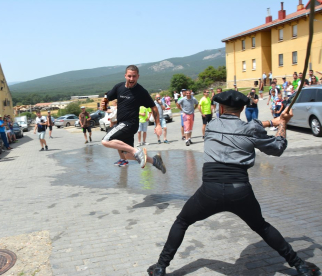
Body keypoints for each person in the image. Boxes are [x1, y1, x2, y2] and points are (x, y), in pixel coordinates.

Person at [147, 90, 320, 276]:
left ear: (220, 107)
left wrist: (273, 121)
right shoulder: (250, 130)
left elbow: (244, 127)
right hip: (240, 191)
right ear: (243, 108)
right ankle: (300, 265)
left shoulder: (212, 125)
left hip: (209, 191)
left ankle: (160, 267)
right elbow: (277, 147)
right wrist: (282, 123)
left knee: (182, 221)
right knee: (261, 226)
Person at [101, 65, 166, 174]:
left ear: (138, 76)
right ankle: (155, 161)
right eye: (129, 76)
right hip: (122, 124)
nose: (131, 79)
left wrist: (158, 124)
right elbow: (108, 95)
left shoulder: (141, 91)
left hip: (130, 124)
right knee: (128, 155)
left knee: (106, 141)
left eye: (134, 76)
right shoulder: (119, 87)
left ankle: (137, 151)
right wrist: (105, 102)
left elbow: (153, 107)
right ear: (125, 76)